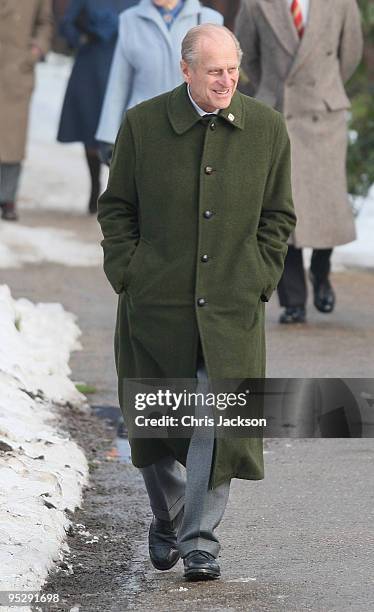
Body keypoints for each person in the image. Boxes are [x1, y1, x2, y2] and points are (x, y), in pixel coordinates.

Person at [98, 24, 296, 580]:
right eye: (214, 71)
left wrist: (259, 275)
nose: (226, 81)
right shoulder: (144, 124)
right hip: (156, 305)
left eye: (233, 69)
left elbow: (278, 216)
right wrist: (129, 272)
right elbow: (117, 209)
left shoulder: (266, 128)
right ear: (185, 70)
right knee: (157, 427)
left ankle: (200, 540)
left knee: (216, 418)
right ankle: (169, 517)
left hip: (232, 305)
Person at [236, 0, 363, 324]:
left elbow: (350, 52)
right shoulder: (256, 4)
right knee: (281, 204)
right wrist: (271, 90)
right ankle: (293, 300)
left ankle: (321, 271)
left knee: (325, 205)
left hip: (323, 113)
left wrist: (326, 87)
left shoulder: (341, 3)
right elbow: (246, 54)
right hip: (278, 112)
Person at [95, 0, 223, 155]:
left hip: (194, 126)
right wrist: (108, 137)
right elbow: (119, 82)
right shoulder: (130, 19)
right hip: (143, 127)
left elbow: (219, 79)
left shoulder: (209, 20)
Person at [56, 0, 139, 214]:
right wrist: (81, 36)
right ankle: (95, 188)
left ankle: (120, 192)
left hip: (123, 67)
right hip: (91, 67)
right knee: (90, 127)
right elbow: (66, 24)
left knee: (123, 131)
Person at [0, 0, 53, 222]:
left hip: (16, 69)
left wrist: (35, 50)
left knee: (12, 138)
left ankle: (7, 198)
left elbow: (45, 23)